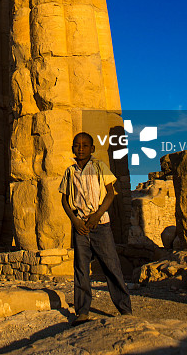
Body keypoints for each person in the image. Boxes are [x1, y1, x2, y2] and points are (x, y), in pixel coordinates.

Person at [59, 132, 132, 325]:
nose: (80, 149)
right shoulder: (70, 171)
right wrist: (75, 221)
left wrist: (97, 215)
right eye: (77, 145)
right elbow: (65, 200)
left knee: (111, 266)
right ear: (73, 148)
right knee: (81, 269)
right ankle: (82, 311)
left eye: (85, 145)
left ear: (92, 149)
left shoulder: (100, 167)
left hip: (100, 224)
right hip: (80, 226)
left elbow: (111, 193)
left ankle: (125, 309)